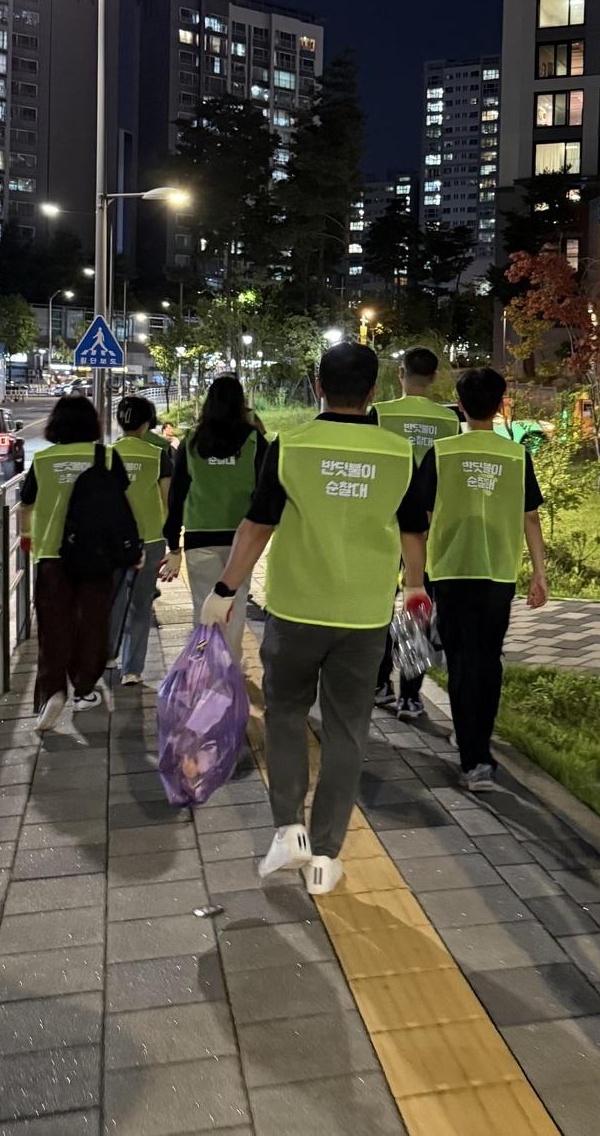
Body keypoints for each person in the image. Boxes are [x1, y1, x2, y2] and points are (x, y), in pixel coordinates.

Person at [203, 342, 427, 895]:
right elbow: (413, 531)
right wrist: (417, 586)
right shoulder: (401, 454)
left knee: (284, 716)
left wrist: (225, 588)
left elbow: (256, 527)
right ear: (373, 392)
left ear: (319, 386)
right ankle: (327, 854)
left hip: (296, 610)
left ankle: (288, 829)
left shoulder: (290, 447)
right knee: (348, 730)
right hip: (364, 615)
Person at [418, 367, 548, 791]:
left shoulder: (441, 452)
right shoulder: (516, 456)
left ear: (459, 405)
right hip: (498, 573)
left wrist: (414, 575)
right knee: (488, 659)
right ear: (501, 406)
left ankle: (472, 756)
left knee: (460, 661)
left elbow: (422, 517)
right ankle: (478, 746)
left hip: (449, 571)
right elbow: (530, 517)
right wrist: (539, 574)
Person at [19, 395, 129, 730]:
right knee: (93, 623)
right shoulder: (107, 456)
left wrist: (28, 538)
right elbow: (121, 502)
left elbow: (26, 505)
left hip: (52, 555)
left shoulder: (43, 460)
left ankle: (53, 691)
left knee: (53, 626)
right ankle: (84, 689)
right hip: (97, 554)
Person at [371, 346, 461, 720]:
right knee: (416, 607)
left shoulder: (380, 414)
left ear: (401, 374)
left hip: (384, 523)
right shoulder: (449, 421)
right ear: (436, 377)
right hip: (428, 529)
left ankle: (379, 683)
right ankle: (411, 694)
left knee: (376, 605)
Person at [159, 376, 268, 665]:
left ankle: (208, 669)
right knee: (235, 605)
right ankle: (229, 669)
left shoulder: (192, 442)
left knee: (204, 608)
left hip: (199, 537)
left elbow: (177, 495)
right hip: (242, 539)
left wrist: (173, 545)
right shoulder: (255, 441)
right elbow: (266, 494)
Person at [108, 396, 173, 685]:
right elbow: (167, 501)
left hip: (113, 540)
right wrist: (174, 542)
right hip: (151, 537)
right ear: (147, 424)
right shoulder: (158, 456)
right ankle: (132, 669)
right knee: (141, 603)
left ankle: (108, 655)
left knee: (112, 600)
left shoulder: (105, 455)